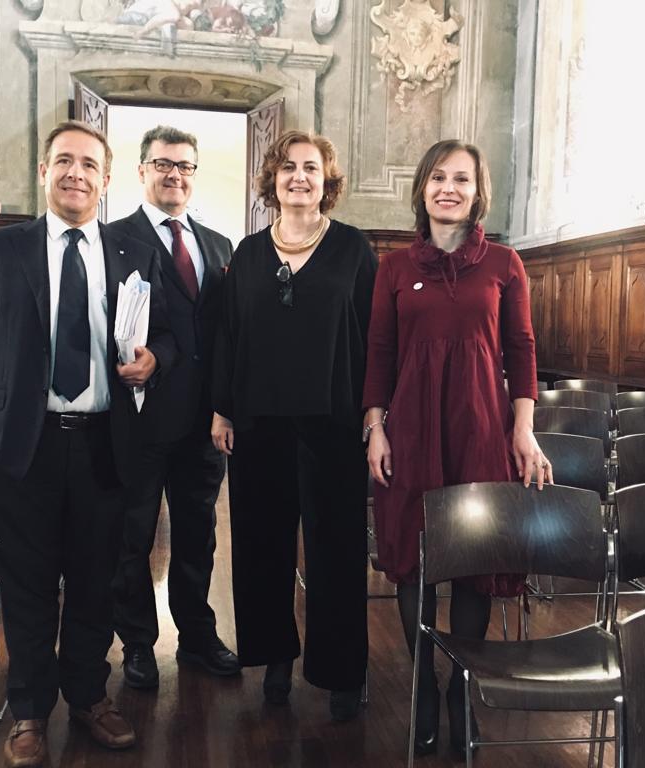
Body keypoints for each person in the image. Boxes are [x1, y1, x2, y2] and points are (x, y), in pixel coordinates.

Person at [0, 120, 175, 768]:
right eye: (64, 161)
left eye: (89, 164)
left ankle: (88, 696)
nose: (76, 173)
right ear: (44, 172)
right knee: (26, 588)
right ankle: (28, 710)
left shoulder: (134, 254)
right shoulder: (1, 251)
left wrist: (155, 359)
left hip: (105, 445)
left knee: (95, 584)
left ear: (106, 180)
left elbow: (168, 335)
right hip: (21, 452)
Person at [362, 139, 549, 758]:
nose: (449, 188)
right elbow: (379, 353)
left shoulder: (505, 263)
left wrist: (523, 428)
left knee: (473, 554)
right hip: (411, 428)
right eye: (438, 177)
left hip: (481, 424)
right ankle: (423, 685)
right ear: (422, 188)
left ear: (477, 192)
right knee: (415, 558)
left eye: (461, 179)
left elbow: (521, 349)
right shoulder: (394, 267)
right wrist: (375, 426)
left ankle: (461, 685)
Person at [210, 130, 377, 722]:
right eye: (287, 167)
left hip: (334, 424)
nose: (299, 176)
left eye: (310, 167)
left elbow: (375, 339)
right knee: (261, 546)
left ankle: (341, 672)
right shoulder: (249, 252)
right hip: (259, 423)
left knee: (336, 551)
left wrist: (375, 414)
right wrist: (222, 408)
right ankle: (274, 655)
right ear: (272, 180)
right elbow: (229, 334)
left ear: (326, 181)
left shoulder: (354, 249)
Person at [107, 125, 239, 689]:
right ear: (142, 171)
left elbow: (227, 332)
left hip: (203, 422)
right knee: (132, 536)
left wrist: (228, 406)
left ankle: (197, 636)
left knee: (197, 535)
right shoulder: (111, 239)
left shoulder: (219, 245)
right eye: (163, 164)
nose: (174, 174)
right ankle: (138, 642)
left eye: (184, 166)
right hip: (139, 416)